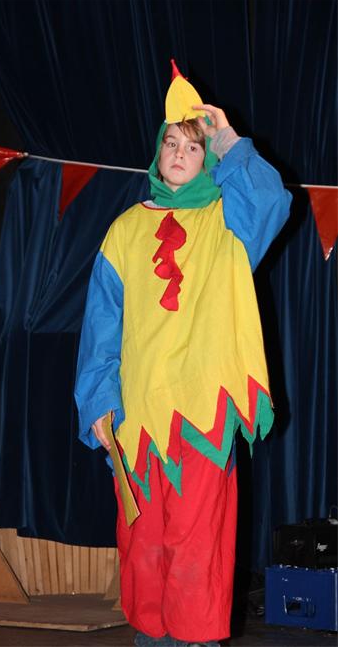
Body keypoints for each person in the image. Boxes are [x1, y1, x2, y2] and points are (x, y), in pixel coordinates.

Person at [75, 61, 292, 647]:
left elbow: (272, 201)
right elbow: (101, 329)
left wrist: (226, 138)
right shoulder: (123, 231)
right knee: (144, 551)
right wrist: (98, 401)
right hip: (140, 419)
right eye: (170, 142)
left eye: (192, 147)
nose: (178, 152)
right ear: (157, 151)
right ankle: (151, 640)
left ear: (207, 160)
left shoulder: (230, 223)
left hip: (203, 416)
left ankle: (193, 642)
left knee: (198, 549)